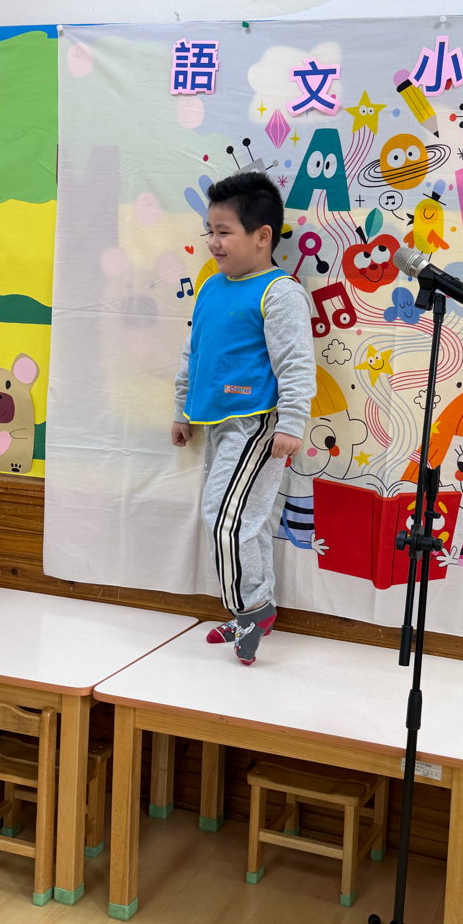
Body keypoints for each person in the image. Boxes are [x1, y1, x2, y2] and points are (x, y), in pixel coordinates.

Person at [171, 171, 316, 664]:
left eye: (224, 232)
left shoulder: (279, 292)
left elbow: (296, 363)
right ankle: (252, 609)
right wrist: (183, 409)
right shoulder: (212, 288)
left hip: (258, 425)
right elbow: (194, 353)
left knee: (225, 520)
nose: (213, 242)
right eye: (209, 231)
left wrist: (292, 422)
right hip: (218, 422)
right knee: (242, 521)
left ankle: (251, 611)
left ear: (262, 235)